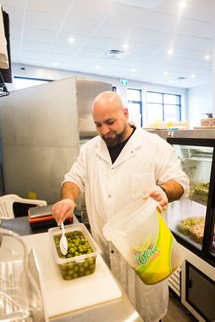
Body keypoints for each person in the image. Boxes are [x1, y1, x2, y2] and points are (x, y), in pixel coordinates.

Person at [52, 90, 189, 321]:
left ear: (125, 114)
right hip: (105, 253)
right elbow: (73, 179)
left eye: (110, 122)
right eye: (98, 125)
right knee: (111, 313)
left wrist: (165, 190)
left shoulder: (153, 146)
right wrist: (68, 198)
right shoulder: (90, 150)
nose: (104, 131)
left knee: (147, 315)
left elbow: (181, 183)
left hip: (146, 255)